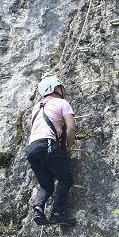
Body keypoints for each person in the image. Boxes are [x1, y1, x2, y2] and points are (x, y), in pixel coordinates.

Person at [26, 76, 76, 225]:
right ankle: (57, 214)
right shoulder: (62, 103)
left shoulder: (36, 107)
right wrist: (68, 145)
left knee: (46, 185)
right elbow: (71, 127)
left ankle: (38, 210)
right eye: (60, 87)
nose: (63, 90)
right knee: (65, 179)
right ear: (54, 88)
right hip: (48, 144)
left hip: (32, 149)